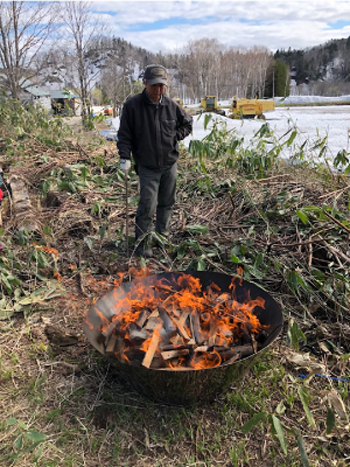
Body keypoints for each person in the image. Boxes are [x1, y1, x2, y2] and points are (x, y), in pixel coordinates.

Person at [117, 64, 193, 257]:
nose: (158, 90)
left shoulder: (170, 106)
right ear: (144, 83)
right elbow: (124, 135)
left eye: (162, 86)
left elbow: (188, 123)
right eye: (154, 85)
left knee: (167, 203)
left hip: (169, 164)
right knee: (147, 206)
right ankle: (142, 245)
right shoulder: (133, 106)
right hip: (147, 167)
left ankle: (162, 238)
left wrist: (175, 136)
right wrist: (124, 157)